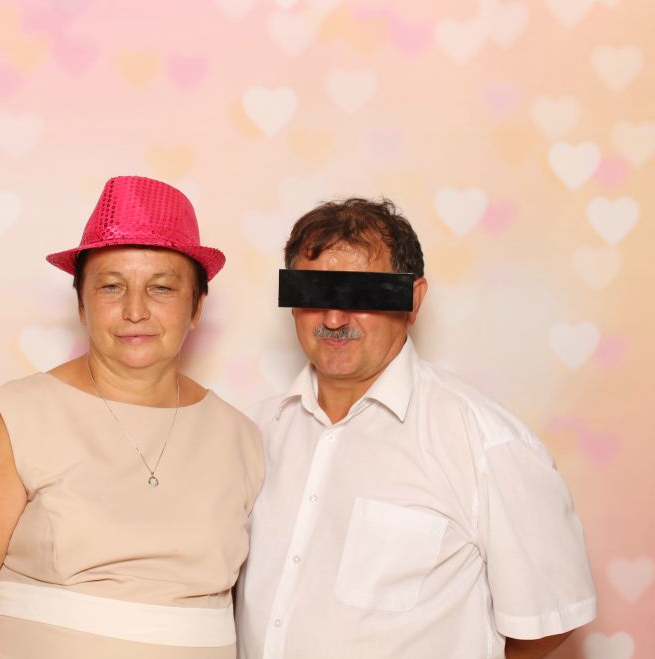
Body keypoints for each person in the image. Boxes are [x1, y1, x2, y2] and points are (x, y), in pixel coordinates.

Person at [0, 175, 264, 658]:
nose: (135, 310)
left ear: (197, 306)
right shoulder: (18, 419)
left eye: (161, 288)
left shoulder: (241, 437)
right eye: (111, 287)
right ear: (81, 304)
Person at [236, 198, 596, 659]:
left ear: (413, 299)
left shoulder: (487, 444)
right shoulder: (252, 433)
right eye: (313, 290)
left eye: (362, 295)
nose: (334, 318)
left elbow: (545, 624)